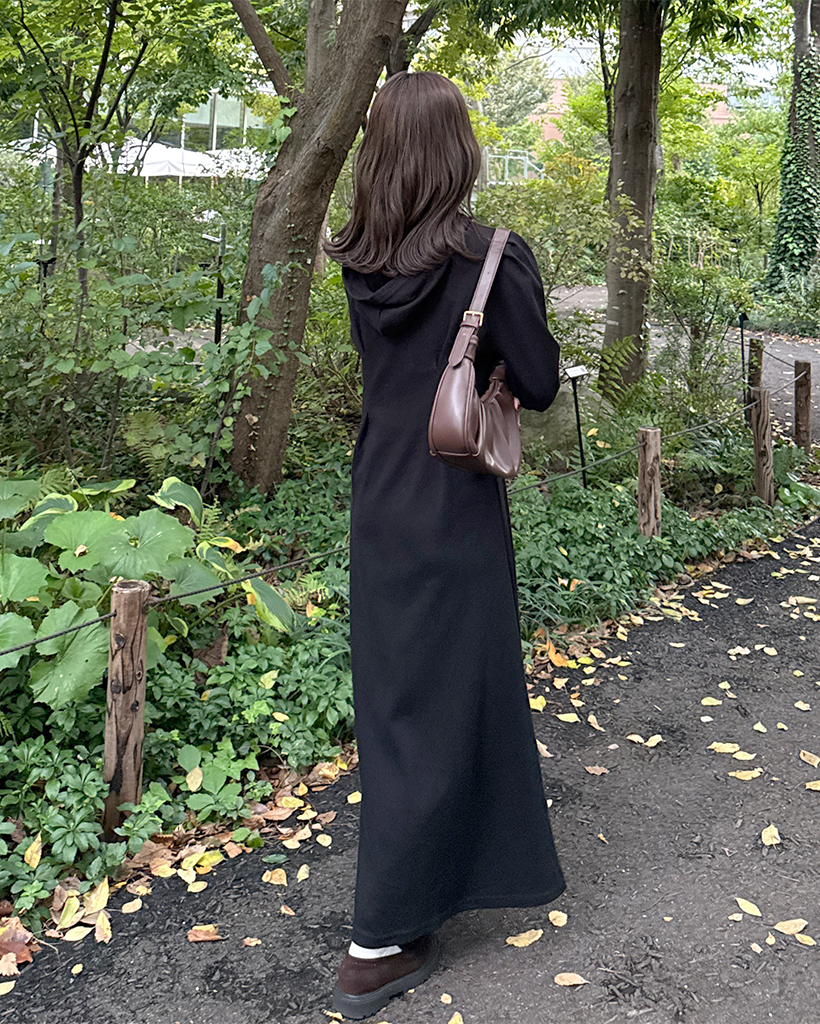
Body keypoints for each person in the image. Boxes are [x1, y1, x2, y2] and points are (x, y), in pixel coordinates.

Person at [325, 69, 565, 1021]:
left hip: (380, 497)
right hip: (453, 504)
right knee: (457, 695)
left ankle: (420, 899)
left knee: (398, 706)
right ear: (459, 150)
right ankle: (377, 943)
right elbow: (538, 383)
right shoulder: (491, 257)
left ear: (380, 151)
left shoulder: (359, 256)